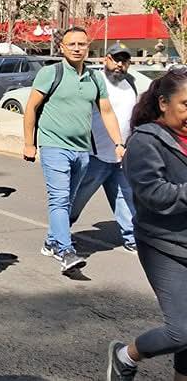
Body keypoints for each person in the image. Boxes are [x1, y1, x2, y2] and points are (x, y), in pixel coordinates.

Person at [22, 26, 126, 274]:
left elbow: (107, 112)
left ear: (88, 46)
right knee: (58, 198)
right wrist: (29, 143)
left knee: (69, 201)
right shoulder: (51, 73)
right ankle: (66, 251)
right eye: (72, 44)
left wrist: (119, 143)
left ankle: (51, 241)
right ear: (62, 47)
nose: (77, 48)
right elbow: (31, 109)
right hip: (53, 145)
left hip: (82, 150)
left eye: (82, 44)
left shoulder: (95, 78)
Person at [107, 68, 187, 380]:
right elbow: (156, 196)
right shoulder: (144, 142)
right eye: (186, 105)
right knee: (181, 332)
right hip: (164, 245)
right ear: (164, 103)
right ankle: (125, 356)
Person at [68, 43, 138, 253]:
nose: (119, 64)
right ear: (105, 59)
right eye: (115, 59)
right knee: (76, 198)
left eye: (124, 61)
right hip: (94, 155)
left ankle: (132, 239)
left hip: (120, 156)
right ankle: (60, 235)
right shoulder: (94, 80)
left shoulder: (131, 84)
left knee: (125, 199)